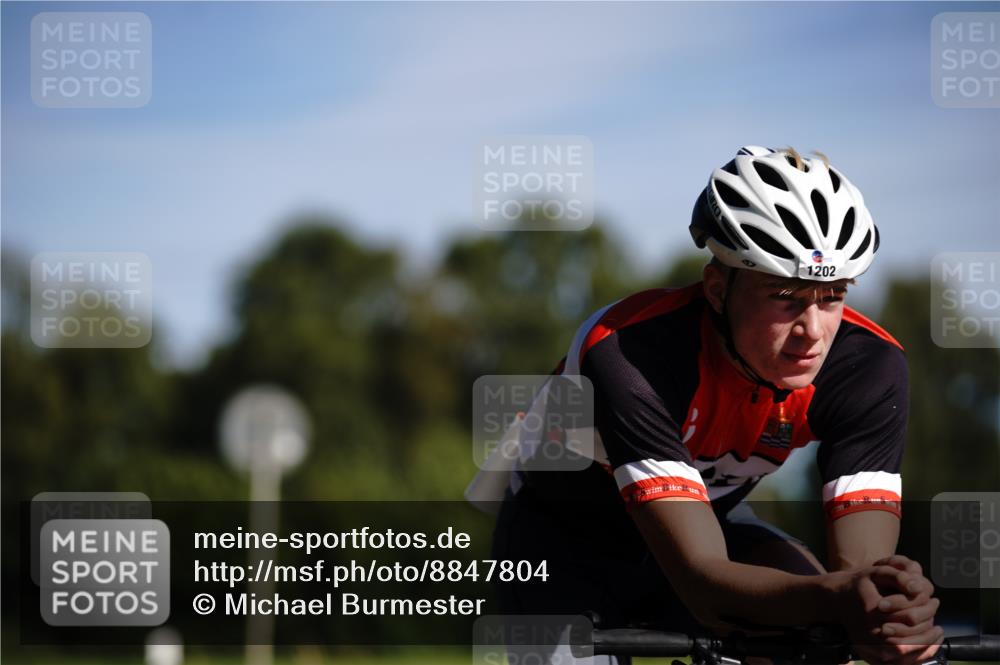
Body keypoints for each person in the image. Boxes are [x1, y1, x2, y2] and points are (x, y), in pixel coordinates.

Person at [480, 146, 942, 665]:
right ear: (718, 288)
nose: (813, 332)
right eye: (786, 297)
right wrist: (840, 598)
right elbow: (702, 583)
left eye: (832, 295)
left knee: (822, 637)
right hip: (563, 539)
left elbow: (860, 573)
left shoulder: (868, 367)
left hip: (713, 523)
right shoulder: (631, 353)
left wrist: (890, 610)